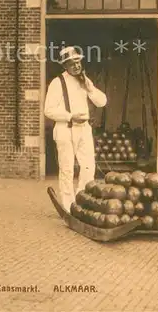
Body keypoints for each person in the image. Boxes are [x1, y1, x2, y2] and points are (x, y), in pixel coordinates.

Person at [44, 46, 107, 212]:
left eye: (78, 62)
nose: (76, 66)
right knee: (67, 169)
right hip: (66, 129)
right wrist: (70, 116)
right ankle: (68, 205)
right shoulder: (58, 83)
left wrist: (90, 88)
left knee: (89, 167)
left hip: (84, 129)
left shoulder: (84, 80)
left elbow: (102, 102)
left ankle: (82, 199)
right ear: (65, 66)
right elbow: (48, 110)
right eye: (72, 64)